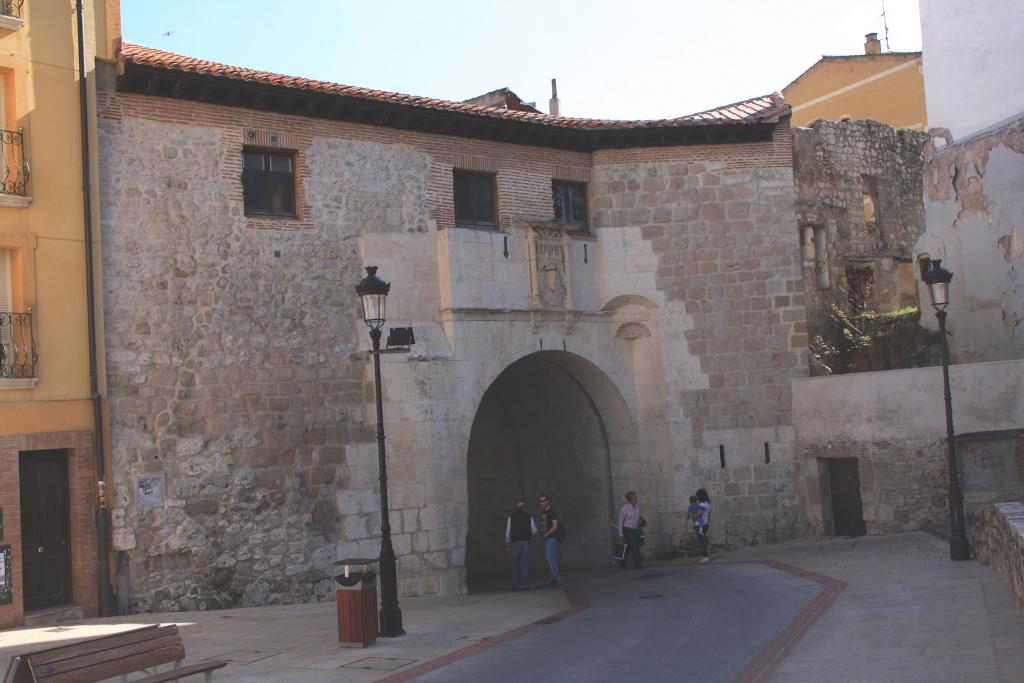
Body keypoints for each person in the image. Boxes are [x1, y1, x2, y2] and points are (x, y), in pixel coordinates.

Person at [505, 499, 538, 591]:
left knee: (515, 563)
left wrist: (507, 542)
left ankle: (516, 585)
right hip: (526, 542)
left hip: (515, 542)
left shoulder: (511, 517)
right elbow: (534, 530)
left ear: (516, 507)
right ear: (524, 507)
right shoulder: (529, 517)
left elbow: (508, 530)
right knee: (524, 563)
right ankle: (524, 585)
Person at [538, 494, 564, 587]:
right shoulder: (543, 512)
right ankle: (554, 578)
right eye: (540, 501)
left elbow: (555, 526)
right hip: (547, 538)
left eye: (544, 500)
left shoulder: (551, 511)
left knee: (550, 558)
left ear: (548, 501)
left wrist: (546, 534)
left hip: (551, 537)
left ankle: (558, 580)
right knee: (549, 558)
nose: (542, 502)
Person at [616, 491, 644, 569]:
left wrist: (641, 522)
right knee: (635, 546)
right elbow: (620, 521)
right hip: (627, 530)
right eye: (634, 498)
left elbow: (638, 517)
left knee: (628, 547)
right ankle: (638, 565)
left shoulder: (637, 507)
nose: (636, 499)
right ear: (630, 500)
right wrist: (620, 534)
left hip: (635, 530)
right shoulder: (624, 509)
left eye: (636, 497)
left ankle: (621, 562)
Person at [695, 488, 712, 563]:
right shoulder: (708, 504)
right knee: (703, 539)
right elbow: (709, 515)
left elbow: (700, 513)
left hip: (701, 524)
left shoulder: (702, 504)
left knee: (701, 540)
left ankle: (705, 556)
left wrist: (693, 516)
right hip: (706, 523)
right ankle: (706, 555)